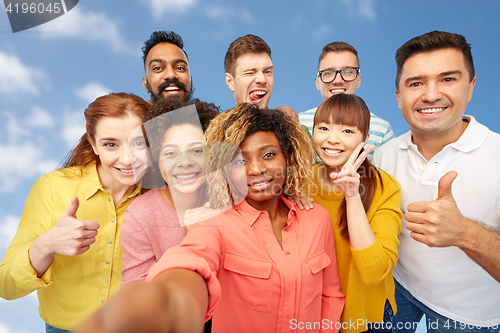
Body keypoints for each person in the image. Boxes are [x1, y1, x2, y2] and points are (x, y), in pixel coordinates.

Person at [75, 104, 345, 333]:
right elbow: (191, 261)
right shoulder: (215, 223)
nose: (257, 169)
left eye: (269, 155)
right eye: (240, 161)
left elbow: (330, 295)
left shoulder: (317, 218)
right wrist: (165, 303)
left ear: (289, 157)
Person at [372, 31, 500, 332]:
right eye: (416, 83)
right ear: (399, 97)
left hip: (471, 316)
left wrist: (464, 232)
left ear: (471, 87)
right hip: (397, 289)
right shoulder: (383, 155)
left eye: (448, 79)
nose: (430, 95)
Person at [0, 93, 150, 332]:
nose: (127, 158)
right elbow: (6, 286)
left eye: (139, 143)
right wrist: (46, 245)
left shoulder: (163, 197)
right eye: (111, 144)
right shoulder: (53, 188)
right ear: (93, 143)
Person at [306, 94, 402, 333]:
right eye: (324, 128)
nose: (332, 139)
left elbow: (373, 272)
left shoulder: (385, 186)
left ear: (365, 139)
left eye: (347, 131)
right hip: (314, 312)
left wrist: (352, 196)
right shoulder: (300, 181)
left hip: (365, 317)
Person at [120, 98, 220, 285]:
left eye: (197, 150)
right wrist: (192, 239)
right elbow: (138, 294)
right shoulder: (140, 215)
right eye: (170, 153)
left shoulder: (228, 198)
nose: (184, 162)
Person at [299, 42, 394, 159]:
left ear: (358, 80)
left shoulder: (382, 129)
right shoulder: (297, 123)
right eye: (328, 73)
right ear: (317, 82)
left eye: (348, 72)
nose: (338, 80)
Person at [224, 34, 300, 122]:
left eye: (267, 72)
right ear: (230, 82)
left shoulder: (291, 123)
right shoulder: (213, 133)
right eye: (250, 73)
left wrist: (292, 130)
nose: (262, 80)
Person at [142, 31, 193, 104]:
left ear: (190, 80)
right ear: (146, 84)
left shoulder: (211, 115)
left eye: (180, 68)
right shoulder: (127, 114)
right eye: (158, 68)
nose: (171, 75)